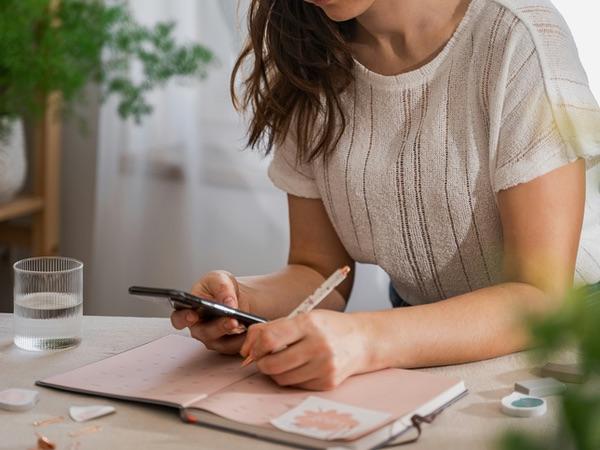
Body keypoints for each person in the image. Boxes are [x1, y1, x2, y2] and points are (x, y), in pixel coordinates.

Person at [171, 0, 600, 391]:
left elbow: (540, 298)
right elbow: (317, 269)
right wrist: (242, 304)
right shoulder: (308, 54)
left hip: (569, 346)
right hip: (425, 351)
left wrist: (368, 339)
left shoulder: (517, 37)